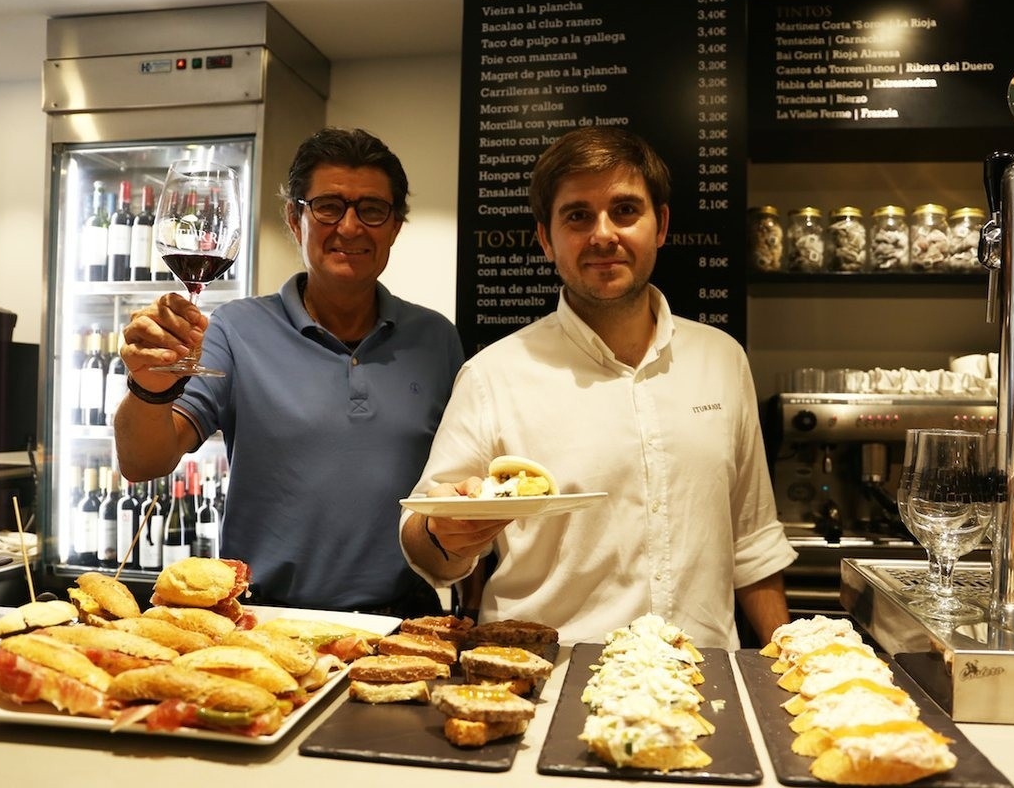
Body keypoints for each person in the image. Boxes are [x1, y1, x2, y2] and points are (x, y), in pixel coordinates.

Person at [400, 126, 796, 649]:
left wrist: (792, 665)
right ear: (546, 238)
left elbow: (752, 541)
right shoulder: (493, 375)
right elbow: (425, 540)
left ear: (661, 226)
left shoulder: (721, 360)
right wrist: (443, 534)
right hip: (547, 679)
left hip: (699, 683)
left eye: (625, 210)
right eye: (577, 215)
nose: (603, 234)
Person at [115, 127, 464, 616]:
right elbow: (143, 462)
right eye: (328, 207)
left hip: (406, 620)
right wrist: (150, 389)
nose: (349, 227)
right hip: (266, 619)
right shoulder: (236, 329)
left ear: (394, 227)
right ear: (295, 220)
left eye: (372, 209)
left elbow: (462, 491)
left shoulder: (436, 339)